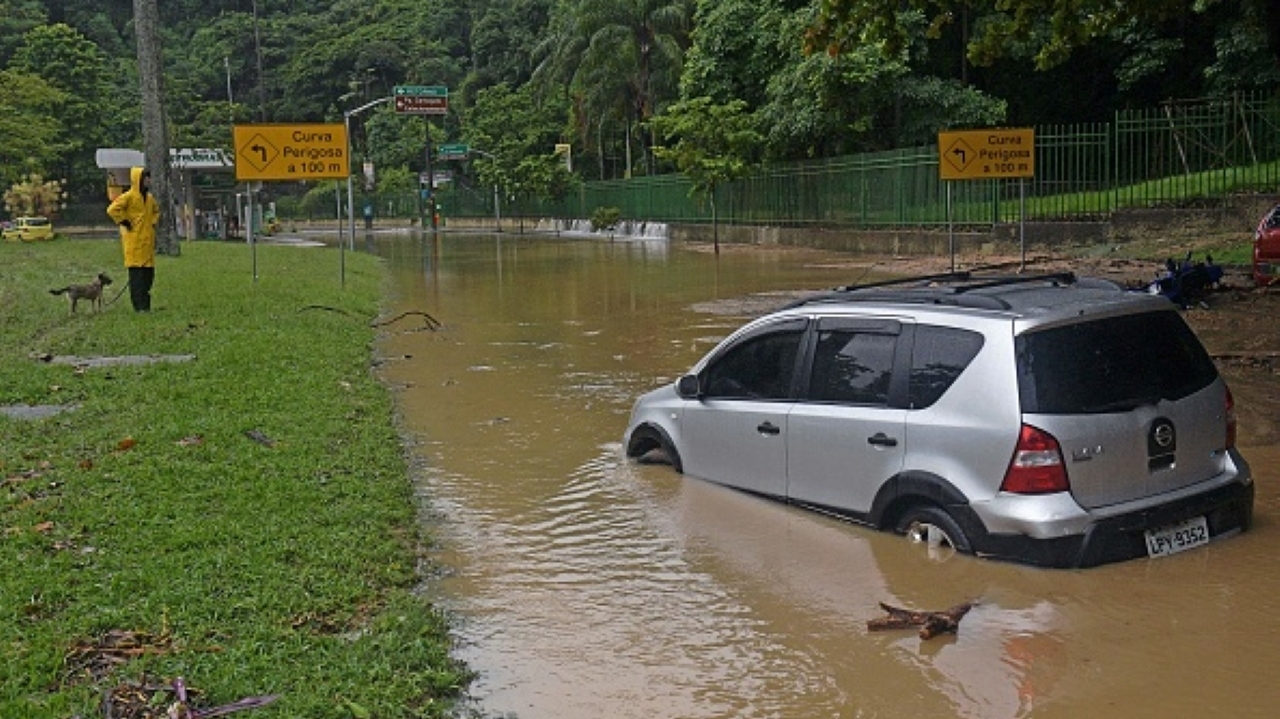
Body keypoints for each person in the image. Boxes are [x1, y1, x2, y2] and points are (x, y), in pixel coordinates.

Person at [106, 167, 159, 312]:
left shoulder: (149, 198)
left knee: (148, 278)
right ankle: (139, 307)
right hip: (134, 243)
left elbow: (156, 211)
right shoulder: (128, 196)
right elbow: (112, 210)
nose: (149, 180)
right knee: (137, 279)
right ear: (139, 179)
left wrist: (153, 222)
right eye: (147, 177)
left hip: (147, 244)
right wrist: (124, 221)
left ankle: (146, 306)